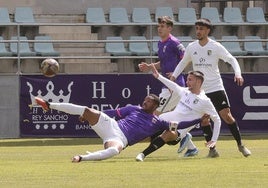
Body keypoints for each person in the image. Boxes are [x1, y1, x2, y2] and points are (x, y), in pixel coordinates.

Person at [34, 94, 201, 162]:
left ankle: (81, 158)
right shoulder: (133, 108)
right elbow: (112, 112)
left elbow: (179, 126)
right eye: (145, 99)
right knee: (86, 110)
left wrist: (199, 118)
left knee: (115, 151)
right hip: (111, 125)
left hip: (120, 139)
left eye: (149, 101)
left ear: (155, 105)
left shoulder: (158, 121)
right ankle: (49, 105)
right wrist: (92, 116)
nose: (145, 101)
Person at [171, 18, 251, 157]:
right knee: (205, 119)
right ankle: (212, 150)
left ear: (208, 30)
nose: (198, 31)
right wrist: (173, 77)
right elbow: (183, 62)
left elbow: (231, 59)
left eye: (201, 29)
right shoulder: (191, 47)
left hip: (216, 87)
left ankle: (240, 145)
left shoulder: (215, 46)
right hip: (200, 91)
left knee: (227, 116)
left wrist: (238, 73)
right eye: (197, 29)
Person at [135, 64, 221, 161]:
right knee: (141, 131)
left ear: (198, 81)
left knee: (169, 133)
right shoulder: (184, 91)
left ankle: (142, 155)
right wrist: (158, 76)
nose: (187, 82)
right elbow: (173, 85)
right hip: (163, 121)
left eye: (190, 80)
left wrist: (214, 140)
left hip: (178, 131)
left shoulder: (205, 101)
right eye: (187, 79)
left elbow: (217, 120)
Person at [138, 16, 197, 155]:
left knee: (155, 114)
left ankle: (181, 135)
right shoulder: (160, 43)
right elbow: (163, 62)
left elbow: (186, 59)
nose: (160, 28)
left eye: (163, 26)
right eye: (159, 26)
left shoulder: (175, 43)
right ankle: (190, 145)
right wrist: (150, 66)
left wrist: (176, 73)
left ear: (170, 28)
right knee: (172, 117)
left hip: (174, 87)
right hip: (167, 85)